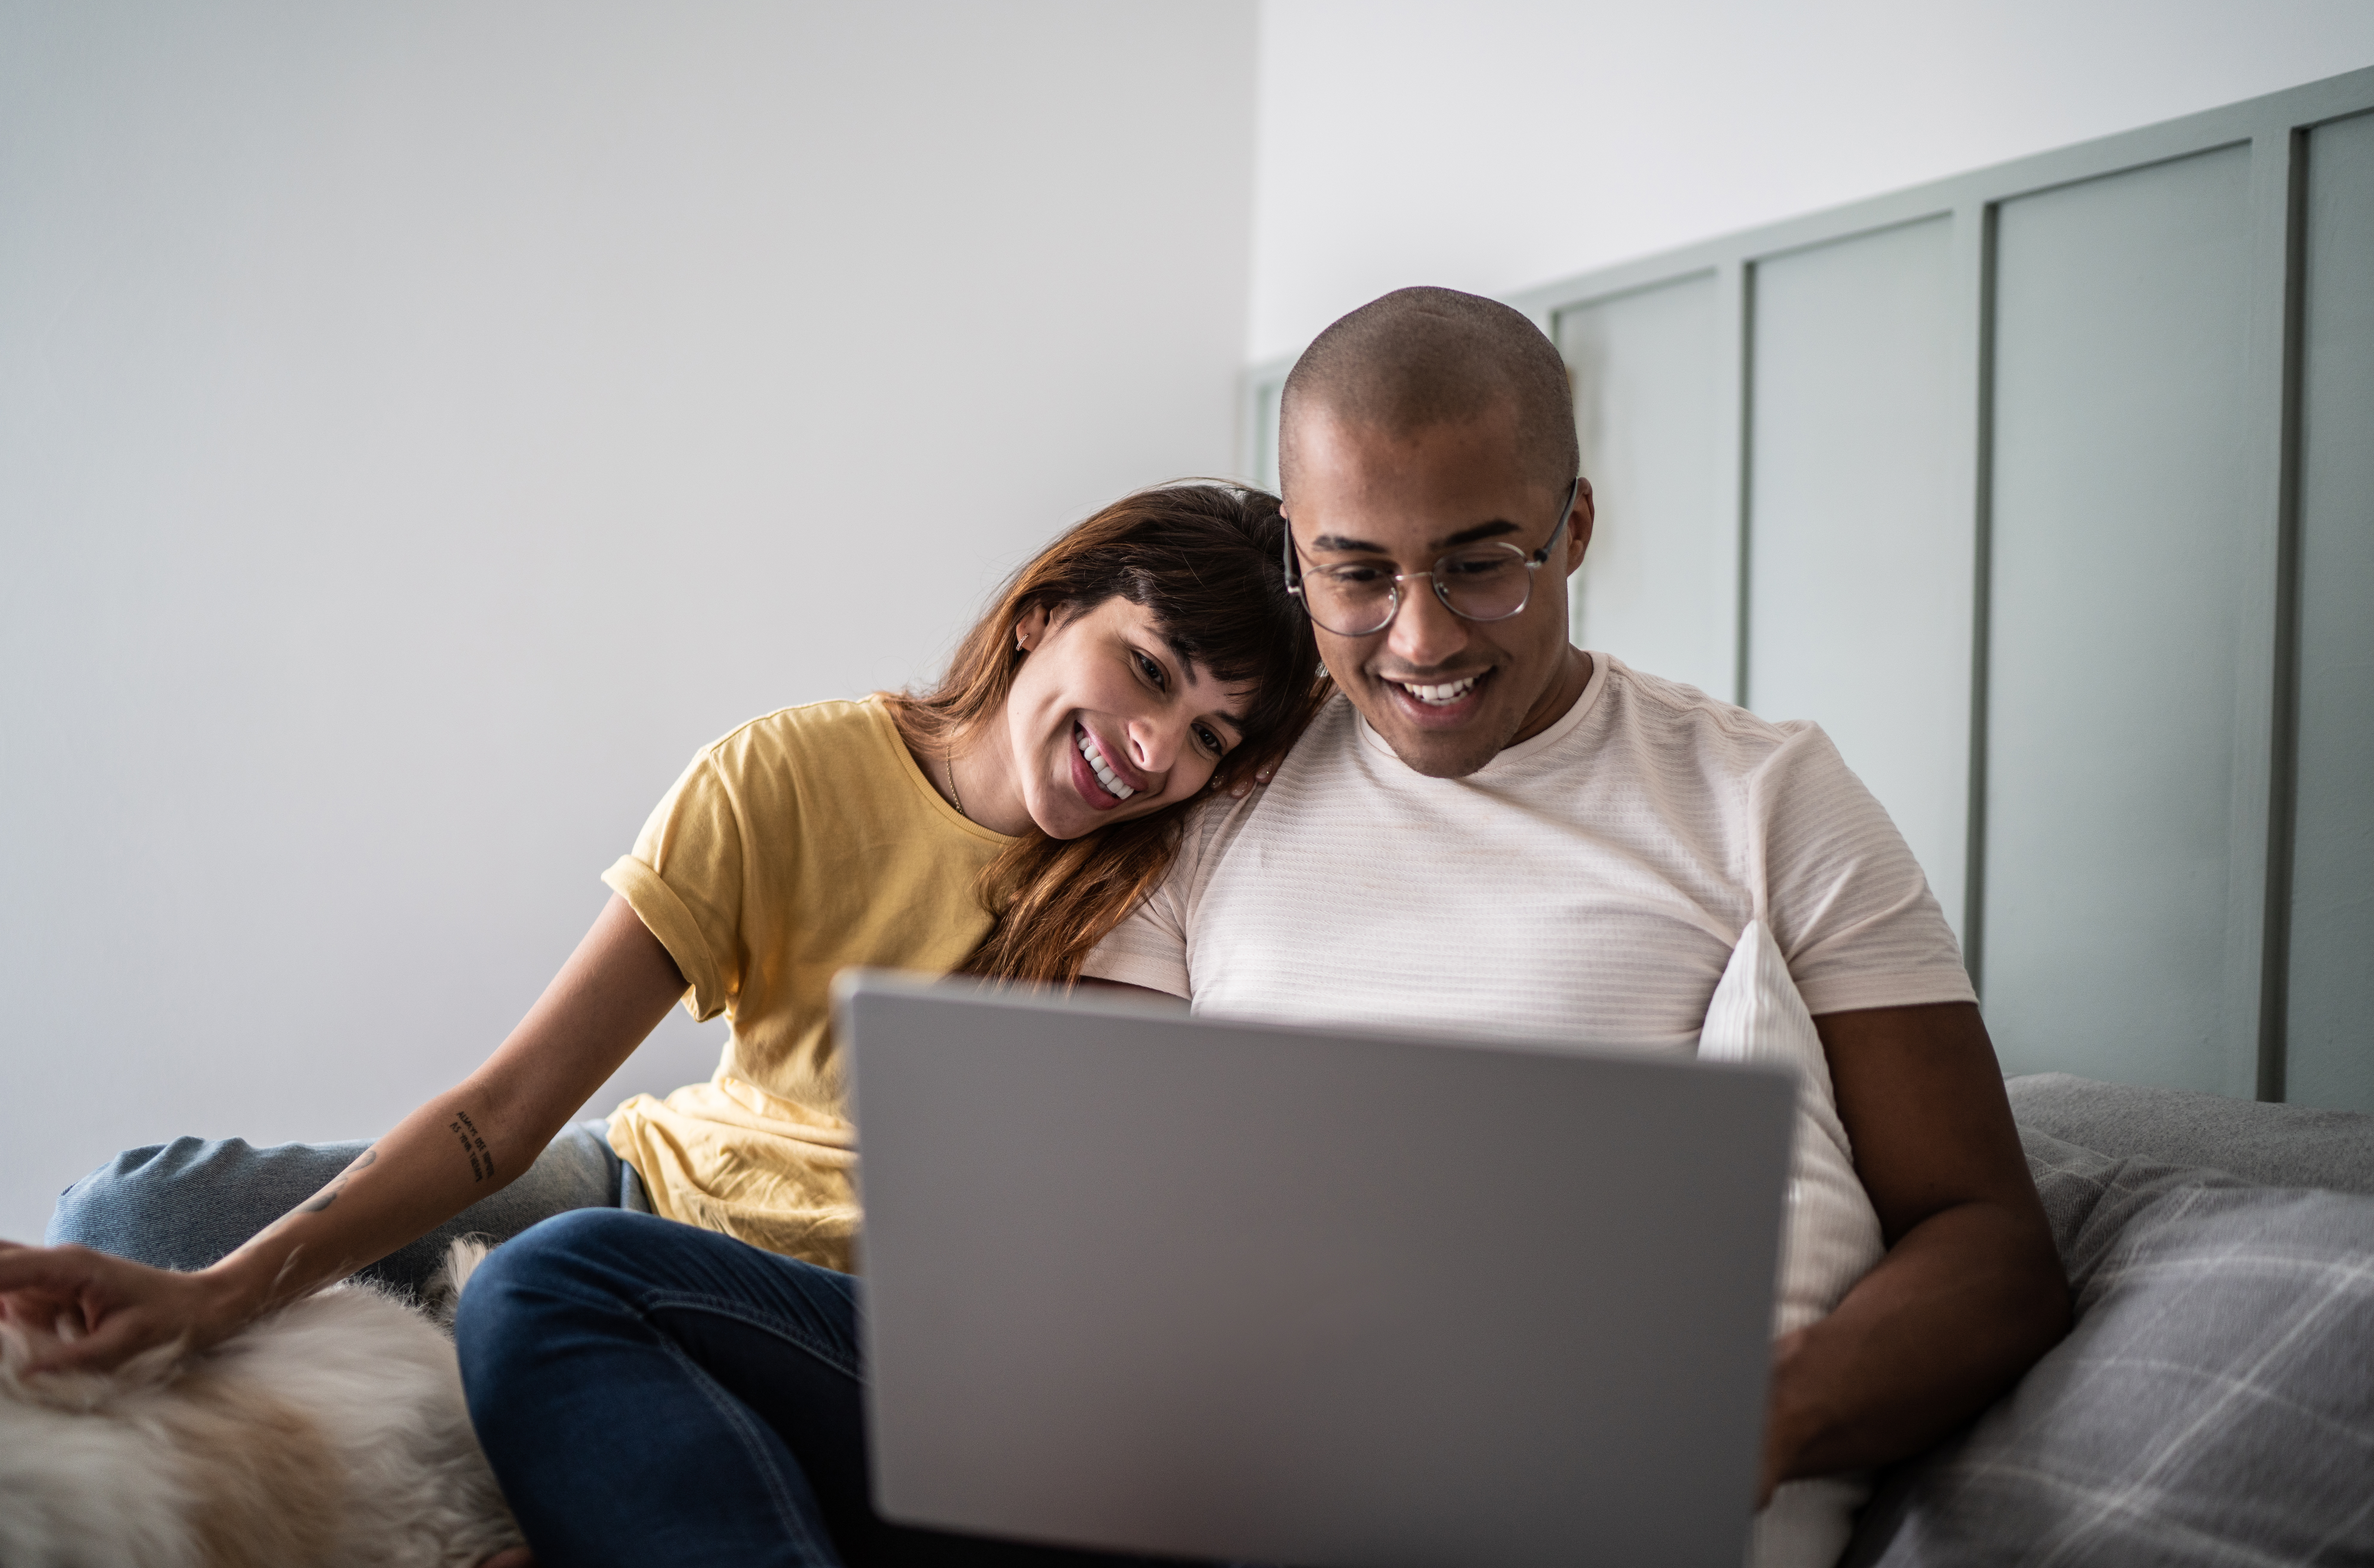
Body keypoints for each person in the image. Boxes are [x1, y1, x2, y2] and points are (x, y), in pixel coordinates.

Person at [455, 288, 2071, 1568]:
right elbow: (1076, 1209)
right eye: (1355, 576)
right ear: (1297, 560)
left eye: (1481, 566)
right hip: (1161, 1450)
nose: (1420, 641)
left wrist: (1755, 1415)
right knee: (559, 1285)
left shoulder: (1763, 797)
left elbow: (1987, 1243)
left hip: (1496, 1472)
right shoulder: (1221, 787)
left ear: (1574, 526)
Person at [0, 480, 1323, 1408]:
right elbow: (508, 1108)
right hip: (638, 1184)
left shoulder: (1149, 892)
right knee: (130, 1214)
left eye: (1208, 737)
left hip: (814, 1308)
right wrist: (221, 1296)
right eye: (1149, 669)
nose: (1153, 750)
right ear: (1044, 611)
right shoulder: (782, 773)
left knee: (548, 1321)